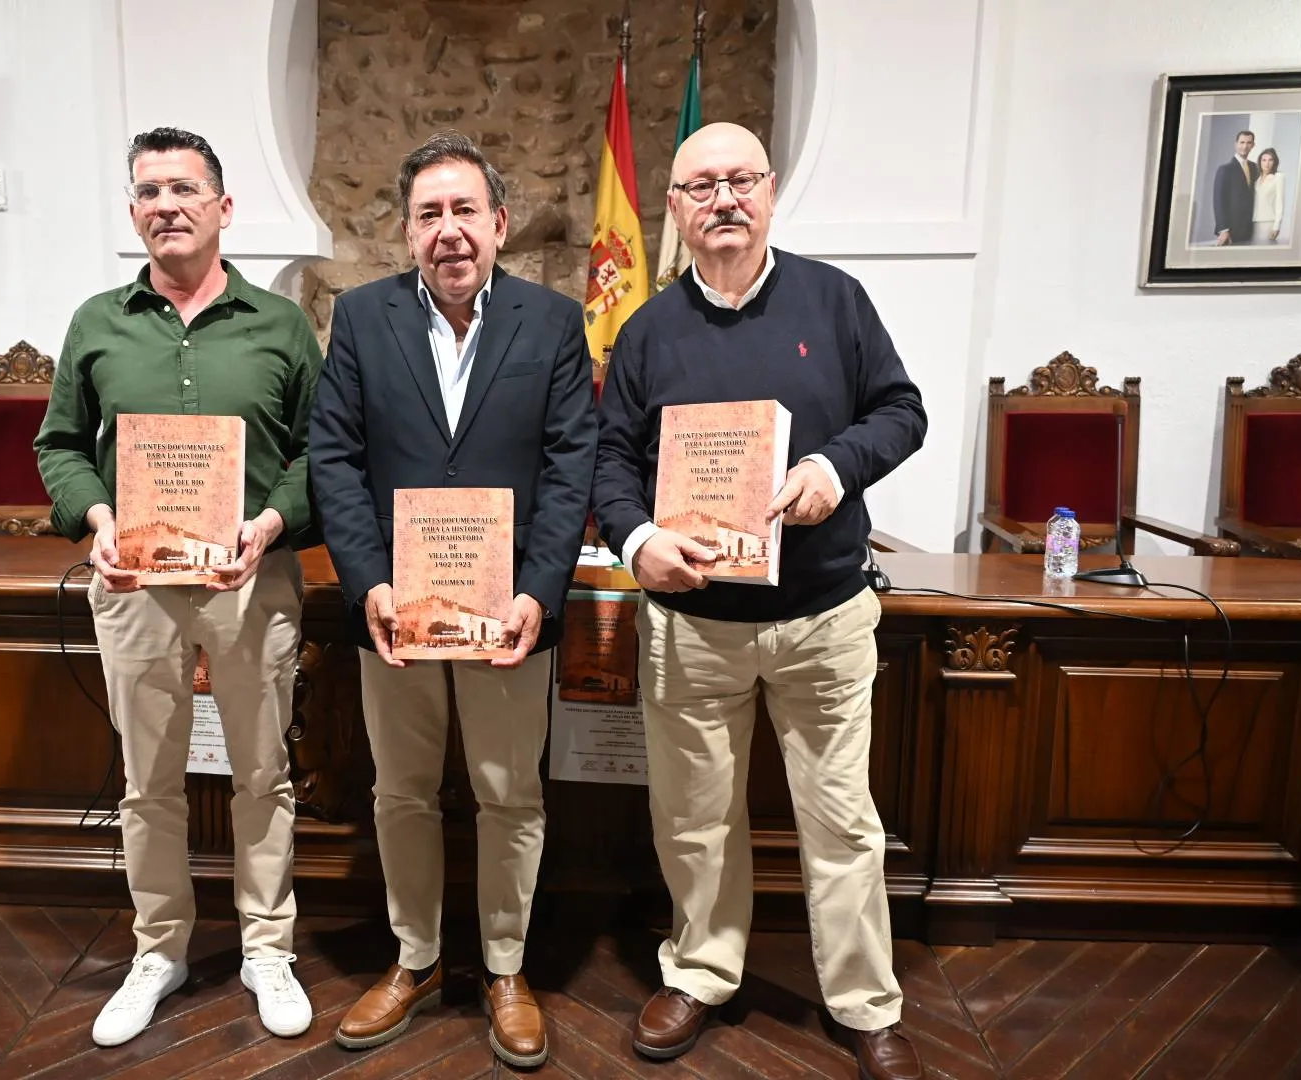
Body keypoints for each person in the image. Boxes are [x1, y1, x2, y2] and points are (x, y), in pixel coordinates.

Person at [592, 121, 928, 1080]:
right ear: (675, 208)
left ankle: (865, 1003)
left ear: (772, 190)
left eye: (741, 180)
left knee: (842, 821)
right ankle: (699, 972)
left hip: (823, 616)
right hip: (693, 628)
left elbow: (901, 410)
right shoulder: (648, 330)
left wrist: (835, 463)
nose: (724, 200)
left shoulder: (835, 298)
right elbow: (612, 460)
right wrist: (639, 540)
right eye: (702, 186)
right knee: (694, 818)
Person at [310, 130, 596, 1069]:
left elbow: (571, 466)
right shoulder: (360, 318)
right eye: (429, 214)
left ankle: (506, 967)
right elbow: (336, 460)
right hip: (395, 615)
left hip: (509, 617)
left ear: (499, 223)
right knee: (400, 792)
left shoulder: (552, 324)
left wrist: (538, 594)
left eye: (464, 210)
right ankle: (417, 957)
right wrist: (370, 585)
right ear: (406, 232)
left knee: (510, 793)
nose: (449, 231)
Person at [34, 126, 321, 1048]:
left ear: (224, 208)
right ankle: (158, 948)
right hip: (135, 585)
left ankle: (265, 946)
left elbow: (324, 451)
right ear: (134, 214)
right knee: (146, 780)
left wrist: (272, 521)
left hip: (252, 580)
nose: (167, 207)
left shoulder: (279, 326)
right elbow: (61, 447)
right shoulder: (96, 322)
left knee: (263, 774)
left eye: (184, 190)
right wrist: (98, 522)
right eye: (149, 193)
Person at [1213, 129, 1257, 245]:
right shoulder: (1225, 169)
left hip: (1251, 229)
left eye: (1248, 143)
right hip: (1232, 230)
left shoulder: (1255, 167)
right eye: (1242, 142)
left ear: (1253, 145)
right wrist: (1224, 229)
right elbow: (1219, 201)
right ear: (1236, 144)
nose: (1245, 146)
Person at [1252, 147, 1284, 245]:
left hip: (1268, 222)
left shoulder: (1278, 177)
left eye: (1270, 160)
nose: (1267, 163)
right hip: (1253, 222)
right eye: (1264, 160)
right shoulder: (1257, 179)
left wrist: (1276, 226)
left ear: (1275, 162)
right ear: (1260, 162)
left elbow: (1280, 202)